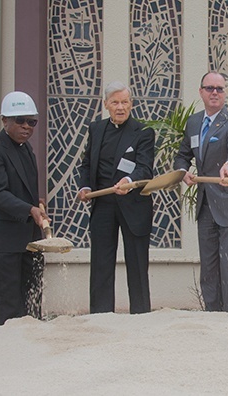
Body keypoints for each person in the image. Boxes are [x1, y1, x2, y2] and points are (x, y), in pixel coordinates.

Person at [173, 72, 228, 312]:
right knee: (209, 270)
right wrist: (182, 171)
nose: (214, 93)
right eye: (209, 88)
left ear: (225, 94)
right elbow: (182, 155)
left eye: (220, 89)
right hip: (206, 205)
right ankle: (211, 317)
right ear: (200, 91)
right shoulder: (193, 123)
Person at [77, 81, 154, 314]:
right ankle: (101, 316)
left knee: (137, 265)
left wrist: (129, 182)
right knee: (101, 262)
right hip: (103, 205)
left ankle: (140, 315)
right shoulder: (96, 129)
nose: (120, 107)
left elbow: (145, 168)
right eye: (115, 103)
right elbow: (87, 163)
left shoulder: (143, 131)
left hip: (133, 205)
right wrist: (85, 186)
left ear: (131, 104)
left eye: (125, 102)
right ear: (106, 105)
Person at [0, 91, 49, 325]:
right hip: (5, 241)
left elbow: (26, 190)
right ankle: (10, 353)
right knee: (10, 305)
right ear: (4, 121)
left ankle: (32, 350)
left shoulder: (26, 149)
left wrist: (37, 203)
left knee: (32, 301)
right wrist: (29, 210)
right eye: (20, 120)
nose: (26, 127)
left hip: (29, 239)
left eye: (32, 121)